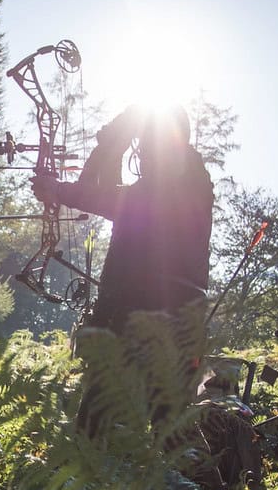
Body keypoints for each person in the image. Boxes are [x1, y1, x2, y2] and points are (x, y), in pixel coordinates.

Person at [30, 104, 214, 434]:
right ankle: (196, 485)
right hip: (180, 320)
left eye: (146, 144)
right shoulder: (192, 183)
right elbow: (103, 190)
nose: (142, 153)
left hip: (140, 313)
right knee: (172, 434)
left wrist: (62, 185)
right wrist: (109, 144)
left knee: (104, 428)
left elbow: (101, 195)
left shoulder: (174, 186)